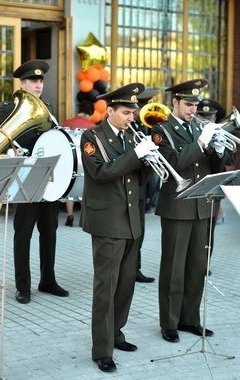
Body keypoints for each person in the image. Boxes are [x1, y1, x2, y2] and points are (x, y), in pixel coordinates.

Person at [151, 78, 236, 343]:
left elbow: (218, 164)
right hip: (177, 206)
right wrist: (200, 142)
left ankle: (190, 319)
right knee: (173, 268)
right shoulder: (161, 131)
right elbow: (175, 161)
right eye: (188, 104)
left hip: (202, 205)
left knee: (197, 267)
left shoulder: (199, 128)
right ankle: (169, 322)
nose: (192, 109)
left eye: (195, 104)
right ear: (174, 102)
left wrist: (219, 149)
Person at [80, 83, 158, 373]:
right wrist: (137, 155)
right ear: (109, 110)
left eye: (133, 113)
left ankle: (116, 333)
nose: (131, 118)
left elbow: (139, 178)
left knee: (126, 283)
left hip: (132, 219)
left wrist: (150, 158)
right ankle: (101, 348)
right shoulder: (93, 136)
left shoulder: (131, 136)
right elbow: (101, 172)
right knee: (106, 286)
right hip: (107, 221)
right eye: (126, 112)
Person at [0, 59, 69, 304]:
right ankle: (22, 286)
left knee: (50, 231)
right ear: (22, 83)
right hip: (25, 178)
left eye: (40, 80)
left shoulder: (47, 107)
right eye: (33, 81)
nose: (38, 84)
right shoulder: (8, 109)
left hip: (47, 178)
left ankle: (48, 280)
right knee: (23, 233)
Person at [132, 89, 159, 283]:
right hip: (128, 186)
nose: (142, 110)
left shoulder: (149, 126)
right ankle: (127, 268)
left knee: (139, 230)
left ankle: (135, 268)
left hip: (142, 187)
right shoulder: (130, 128)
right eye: (140, 106)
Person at [197, 98, 227, 257]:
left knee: (210, 229)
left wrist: (219, 149)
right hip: (196, 185)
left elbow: (231, 160)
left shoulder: (221, 133)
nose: (207, 120)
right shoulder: (196, 134)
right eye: (202, 116)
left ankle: (205, 264)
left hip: (214, 186)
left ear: (216, 117)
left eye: (210, 117)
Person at [62, 101, 95, 227]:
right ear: (89, 114)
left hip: (68, 160)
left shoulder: (67, 122)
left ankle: (70, 216)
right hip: (84, 160)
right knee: (84, 188)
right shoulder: (91, 125)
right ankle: (83, 218)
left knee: (70, 187)